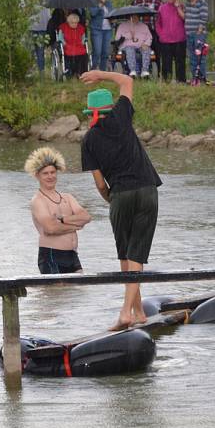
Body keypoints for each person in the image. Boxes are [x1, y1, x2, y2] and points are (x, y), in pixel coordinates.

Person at [79, 70, 162, 331]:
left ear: (90, 113)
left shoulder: (88, 140)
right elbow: (127, 81)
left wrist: (111, 199)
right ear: (109, 107)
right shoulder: (122, 115)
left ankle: (128, 311)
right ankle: (136, 312)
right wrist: (100, 75)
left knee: (126, 255)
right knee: (136, 253)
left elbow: (100, 184)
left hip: (119, 194)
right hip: (147, 189)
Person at [26, 147, 91, 274]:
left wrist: (62, 219)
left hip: (72, 255)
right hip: (51, 255)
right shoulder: (38, 200)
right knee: (55, 293)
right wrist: (75, 227)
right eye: (45, 173)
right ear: (37, 175)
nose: (50, 176)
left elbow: (86, 217)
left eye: (53, 172)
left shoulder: (67, 197)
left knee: (78, 292)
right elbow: (50, 229)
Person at [155, 0, 187, 83]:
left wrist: (178, 7)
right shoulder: (161, 8)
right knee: (166, 62)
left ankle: (181, 80)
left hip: (180, 38)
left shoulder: (181, 6)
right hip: (166, 40)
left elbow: (185, 19)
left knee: (180, 61)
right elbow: (158, 23)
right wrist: (161, 35)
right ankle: (166, 80)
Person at [132, 0, 163, 70]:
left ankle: (157, 72)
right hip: (140, 31)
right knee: (141, 50)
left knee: (156, 52)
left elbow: (163, 15)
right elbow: (131, 13)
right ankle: (142, 70)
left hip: (153, 30)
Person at [184, 0, 209, 82]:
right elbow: (184, 17)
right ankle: (195, 77)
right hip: (189, 34)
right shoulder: (187, 4)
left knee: (200, 57)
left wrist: (199, 31)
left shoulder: (202, 3)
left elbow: (204, 18)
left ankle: (202, 77)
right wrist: (178, 8)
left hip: (198, 34)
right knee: (192, 57)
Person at [89, 0, 114, 71]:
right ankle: (93, 69)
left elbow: (112, 14)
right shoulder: (93, 2)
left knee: (105, 52)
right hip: (97, 30)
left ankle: (103, 71)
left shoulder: (109, 3)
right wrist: (100, 5)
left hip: (108, 30)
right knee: (97, 52)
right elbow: (92, 13)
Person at [59, 12, 89, 78]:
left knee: (83, 53)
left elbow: (83, 38)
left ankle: (81, 72)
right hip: (68, 45)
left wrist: (83, 42)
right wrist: (65, 44)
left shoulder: (80, 28)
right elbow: (60, 38)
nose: (74, 24)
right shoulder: (63, 27)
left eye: (76, 23)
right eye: (72, 23)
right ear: (68, 22)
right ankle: (69, 71)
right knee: (69, 53)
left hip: (78, 45)